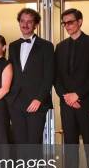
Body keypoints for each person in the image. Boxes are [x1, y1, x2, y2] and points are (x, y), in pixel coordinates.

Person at [54, 9, 89, 168]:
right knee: (70, 146)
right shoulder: (60, 47)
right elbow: (56, 77)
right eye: (64, 23)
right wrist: (66, 96)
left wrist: (78, 95)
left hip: (85, 102)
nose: (67, 26)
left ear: (80, 21)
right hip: (67, 104)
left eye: (70, 22)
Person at [6, 8, 54, 145]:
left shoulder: (47, 46)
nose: (25, 25)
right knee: (19, 144)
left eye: (29, 22)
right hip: (16, 103)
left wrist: (39, 99)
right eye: (22, 21)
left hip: (36, 102)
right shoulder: (13, 46)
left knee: (33, 144)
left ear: (36, 24)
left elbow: (49, 75)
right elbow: (10, 71)